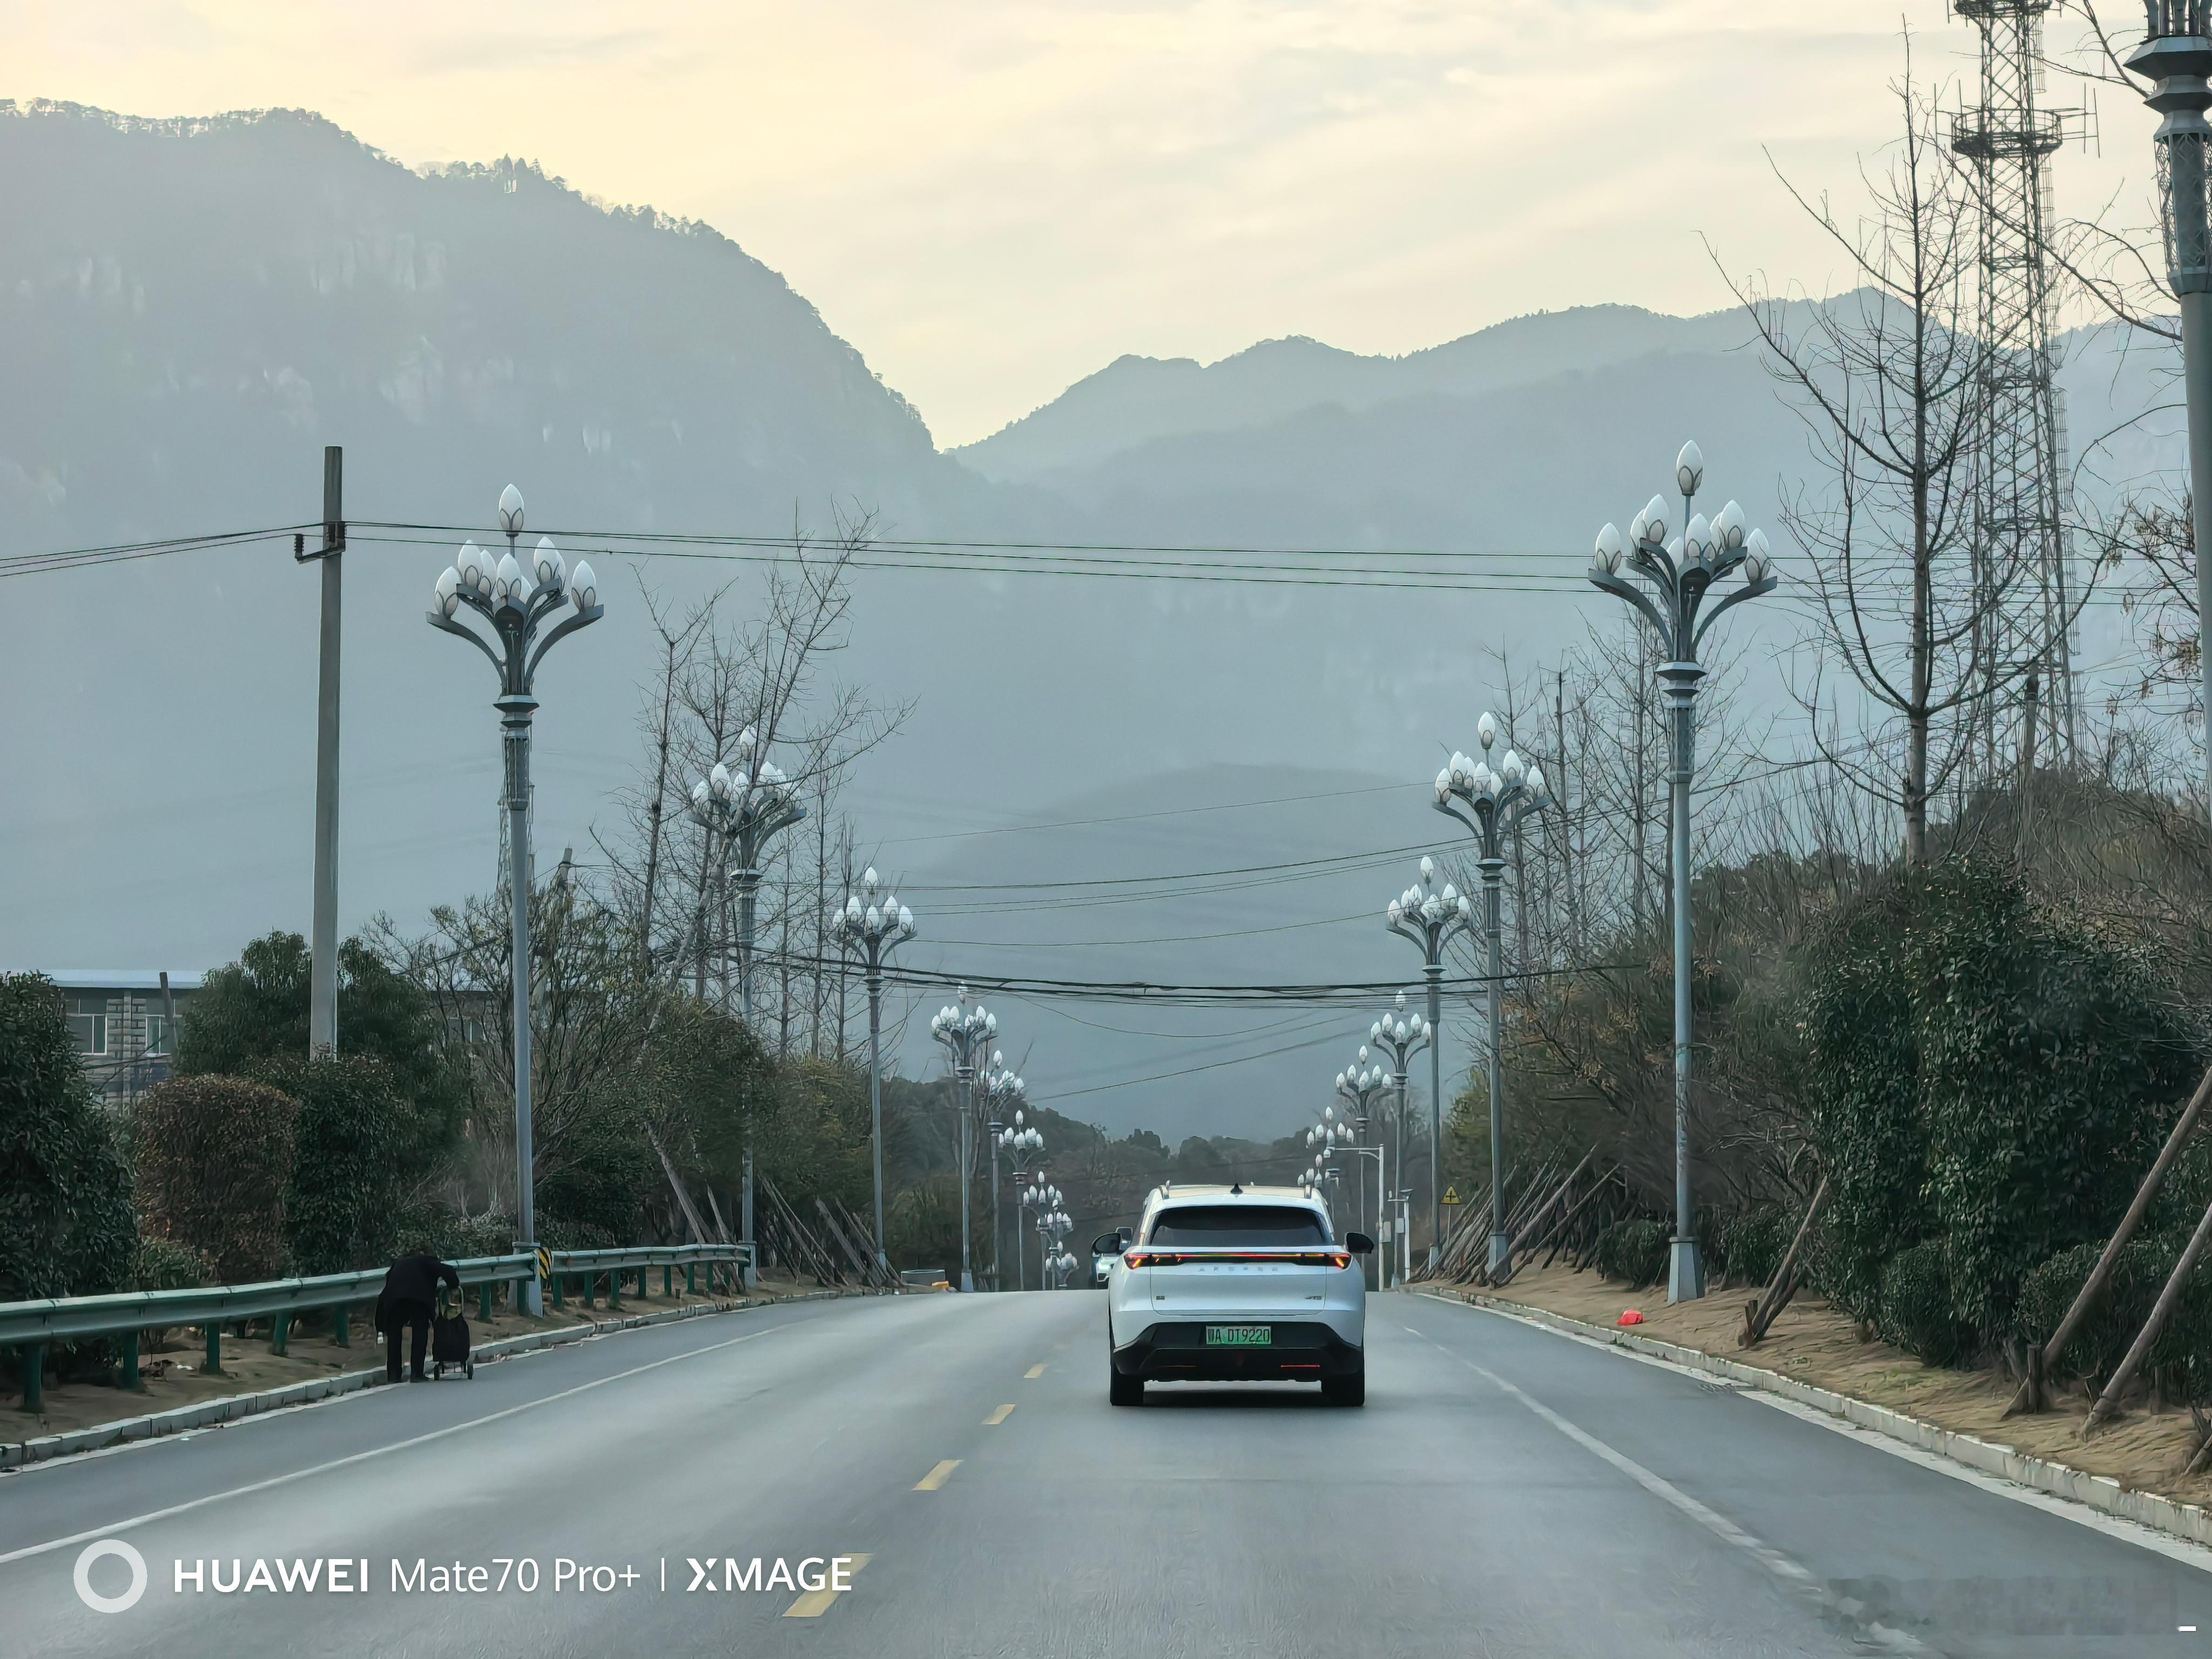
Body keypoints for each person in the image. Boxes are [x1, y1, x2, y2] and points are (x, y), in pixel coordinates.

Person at [375, 1253, 460, 1382]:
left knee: (394, 1336)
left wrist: (381, 1326)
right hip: (418, 1300)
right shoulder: (429, 1263)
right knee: (420, 1333)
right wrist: (453, 1285)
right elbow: (448, 1270)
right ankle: (417, 1374)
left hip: (394, 1300)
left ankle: (393, 1375)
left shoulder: (399, 1264)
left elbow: (387, 1288)